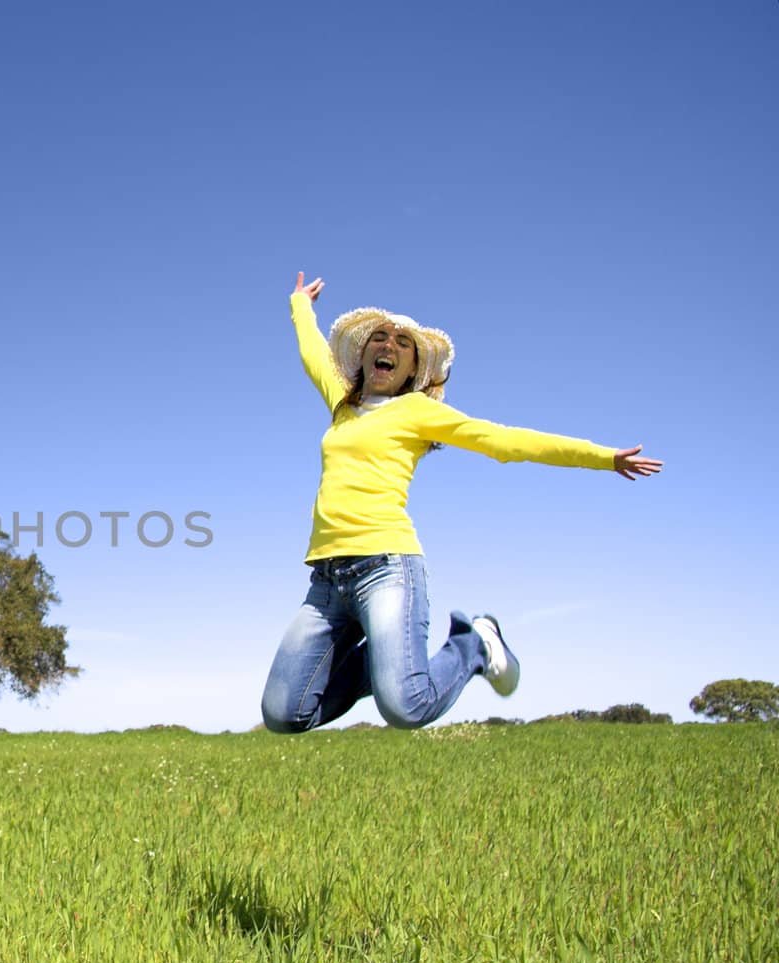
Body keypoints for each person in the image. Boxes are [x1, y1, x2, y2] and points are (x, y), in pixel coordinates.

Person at [260, 273, 662, 733]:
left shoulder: (417, 411)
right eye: (379, 337)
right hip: (326, 582)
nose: (387, 345)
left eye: (402, 343)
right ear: (364, 354)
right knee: (284, 715)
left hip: (386, 568)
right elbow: (313, 352)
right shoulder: (342, 405)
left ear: (412, 368)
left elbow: (505, 441)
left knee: (406, 707)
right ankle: (392, 654)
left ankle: (472, 645)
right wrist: (299, 305)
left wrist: (602, 458)